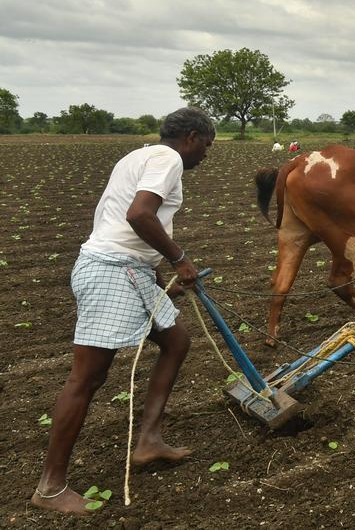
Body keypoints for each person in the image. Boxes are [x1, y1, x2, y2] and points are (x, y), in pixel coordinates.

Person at [31, 107, 215, 516]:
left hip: (129, 269)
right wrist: (179, 260)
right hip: (112, 269)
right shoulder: (168, 160)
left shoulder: (138, 155)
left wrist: (153, 266)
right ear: (190, 137)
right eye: (206, 145)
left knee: (176, 341)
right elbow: (138, 214)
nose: (206, 154)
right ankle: (49, 487)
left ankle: (149, 440)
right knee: (88, 377)